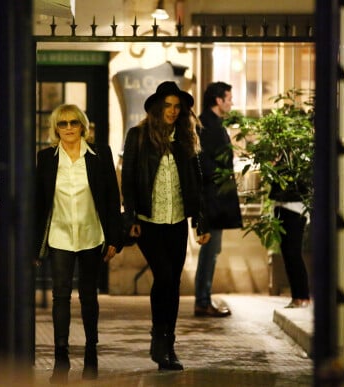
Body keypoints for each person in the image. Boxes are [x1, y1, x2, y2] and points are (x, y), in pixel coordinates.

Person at [121, 81, 210, 371]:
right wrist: (131, 217)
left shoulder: (186, 138)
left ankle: (167, 344)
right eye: (168, 106)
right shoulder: (137, 136)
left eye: (177, 106)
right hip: (148, 222)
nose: (172, 111)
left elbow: (197, 182)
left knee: (173, 283)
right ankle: (159, 340)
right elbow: (129, 179)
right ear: (158, 108)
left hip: (176, 220)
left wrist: (200, 220)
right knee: (165, 276)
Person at [35, 104, 124, 383]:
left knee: (88, 296)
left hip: (91, 236)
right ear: (56, 128)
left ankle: (91, 352)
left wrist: (114, 237)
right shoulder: (47, 158)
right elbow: (38, 203)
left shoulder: (100, 155)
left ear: (83, 125)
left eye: (74, 122)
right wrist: (33, 244)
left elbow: (112, 199)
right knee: (60, 296)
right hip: (60, 236)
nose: (69, 128)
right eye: (63, 124)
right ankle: (60, 356)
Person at [194, 82, 243, 317]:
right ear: (218, 100)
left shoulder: (212, 124)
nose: (231, 102)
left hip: (216, 197)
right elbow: (206, 162)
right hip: (213, 198)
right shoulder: (207, 125)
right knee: (209, 251)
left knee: (212, 250)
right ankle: (202, 301)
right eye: (229, 98)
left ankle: (203, 299)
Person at [270, 181, 311, 308]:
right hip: (281, 206)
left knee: (293, 253)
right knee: (287, 254)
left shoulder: (299, 163)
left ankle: (303, 296)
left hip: (295, 207)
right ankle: (296, 297)